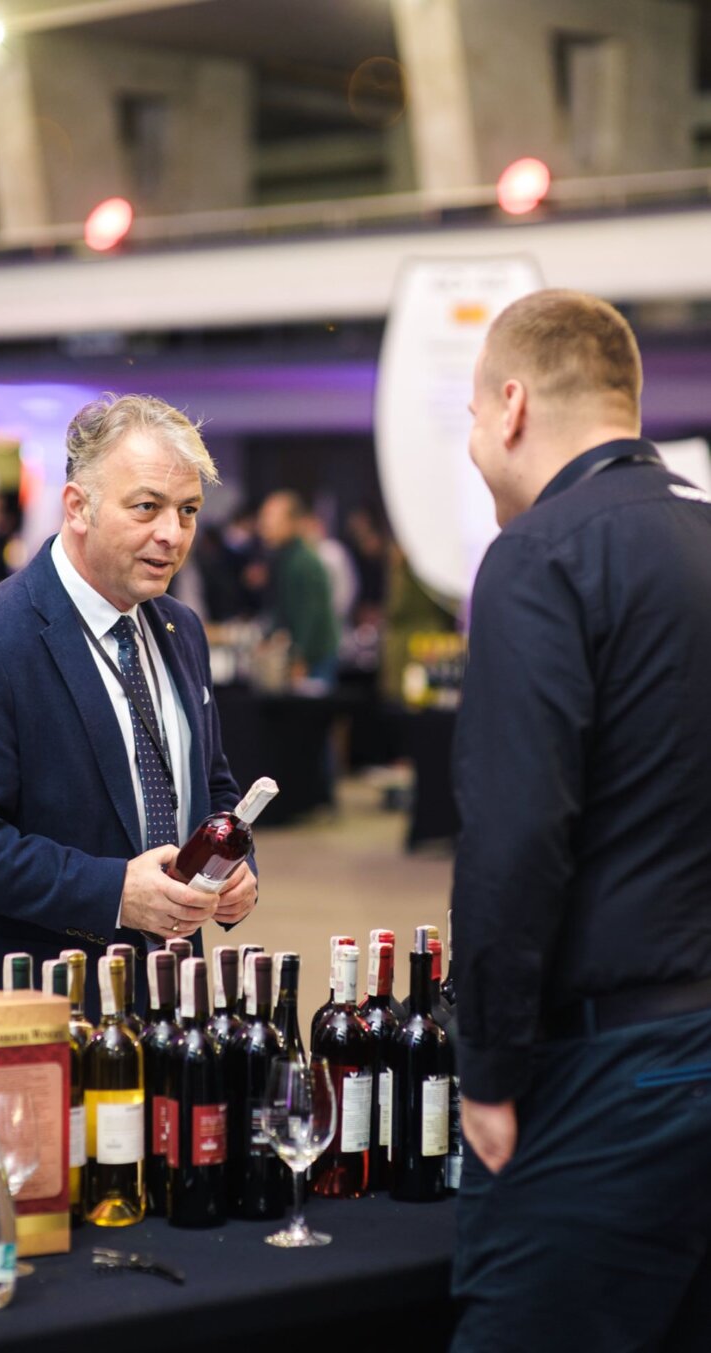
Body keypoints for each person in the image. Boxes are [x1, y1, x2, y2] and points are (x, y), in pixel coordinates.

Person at [450, 289, 711, 1351]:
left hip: (611, 1073)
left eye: (467, 418)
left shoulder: (540, 558)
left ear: (511, 406)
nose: (472, 445)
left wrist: (489, 1070)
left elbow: (516, 839)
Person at [0, 394, 257, 1056]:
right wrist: (115, 891)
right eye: (146, 507)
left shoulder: (181, 631)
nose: (172, 533)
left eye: (188, 510)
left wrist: (232, 862)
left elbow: (212, 782)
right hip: (29, 1012)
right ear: (77, 506)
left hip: (166, 1004)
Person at [256, 490, 340, 689]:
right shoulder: (284, 557)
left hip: (316, 656)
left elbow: (311, 614)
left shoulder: (304, 561)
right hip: (302, 654)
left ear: (292, 522)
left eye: (271, 517)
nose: (264, 524)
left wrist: (301, 658)